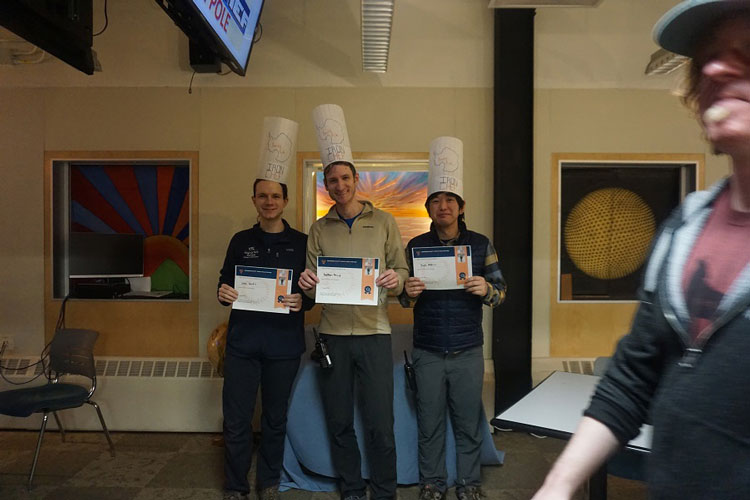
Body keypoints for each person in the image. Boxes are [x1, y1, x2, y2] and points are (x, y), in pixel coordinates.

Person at [533, 1, 750, 498]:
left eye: (747, 51)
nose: (715, 68)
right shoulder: (684, 229)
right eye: (707, 57)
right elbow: (635, 376)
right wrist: (559, 485)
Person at [298, 104, 409, 500]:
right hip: (331, 337)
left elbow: (403, 272)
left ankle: (384, 491)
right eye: (333, 179)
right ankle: (351, 490)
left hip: (375, 334)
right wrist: (306, 282)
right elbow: (310, 291)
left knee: (380, 422)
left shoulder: (383, 222)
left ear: (356, 179)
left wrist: (398, 278)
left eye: (346, 177)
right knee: (340, 419)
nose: (340, 185)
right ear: (326, 184)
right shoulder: (318, 228)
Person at [400, 137, 506, 500]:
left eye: (449, 200)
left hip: (467, 350)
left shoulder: (480, 244)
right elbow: (401, 298)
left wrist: (484, 289)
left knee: (467, 422)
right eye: (435, 200)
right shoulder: (416, 247)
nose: (442, 206)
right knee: (429, 424)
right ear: (427, 207)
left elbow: (501, 291)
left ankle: (469, 484)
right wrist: (407, 292)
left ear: (461, 207)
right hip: (427, 350)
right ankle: (432, 484)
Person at [217, 117, 313, 500]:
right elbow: (225, 281)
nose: (269, 202)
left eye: (276, 196)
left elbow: (313, 291)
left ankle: (269, 481)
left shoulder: (303, 243)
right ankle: (236, 485)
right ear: (254, 200)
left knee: (275, 420)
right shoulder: (240, 240)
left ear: (285, 201)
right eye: (262, 196)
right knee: (238, 420)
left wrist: (302, 299)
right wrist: (224, 292)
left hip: (284, 346)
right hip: (242, 344)